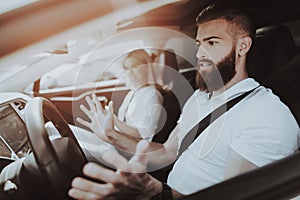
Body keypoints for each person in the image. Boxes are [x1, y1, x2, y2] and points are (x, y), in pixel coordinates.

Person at [68, 1, 299, 199]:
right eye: (199, 44)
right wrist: (111, 135)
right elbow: (167, 152)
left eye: (212, 42)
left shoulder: (267, 116)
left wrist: (156, 193)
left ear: (243, 46)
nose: (198, 54)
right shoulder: (201, 97)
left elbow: (232, 196)